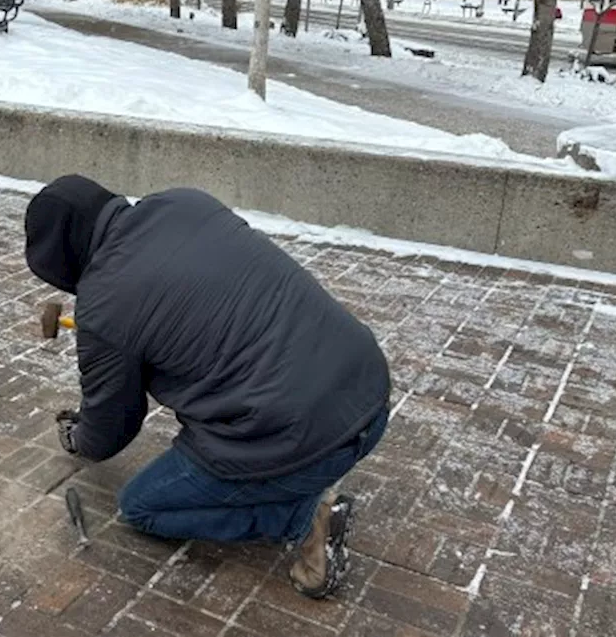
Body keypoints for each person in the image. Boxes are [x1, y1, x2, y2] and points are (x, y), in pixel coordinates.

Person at [24, 175, 391, 599]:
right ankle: (303, 488)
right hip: (369, 391)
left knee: (141, 507)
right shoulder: (184, 203)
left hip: (305, 438)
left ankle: (302, 518)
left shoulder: (104, 309)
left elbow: (111, 429)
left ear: (61, 258)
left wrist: (78, 437)